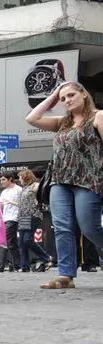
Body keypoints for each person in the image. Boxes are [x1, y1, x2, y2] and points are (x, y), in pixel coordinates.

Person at [24, 81, 103, 289]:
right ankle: (65, 275)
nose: (67, 100)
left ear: (84, 94)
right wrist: (53, 95)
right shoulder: (62, 122)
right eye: (63, 99)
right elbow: (32, 118)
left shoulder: (98, 116)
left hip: (88, 179)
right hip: (59, 180)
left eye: (70, 95)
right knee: (61, 227)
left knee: (89, 227)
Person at [17, 169, 51, 272]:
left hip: (33, 215)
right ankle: (24, 266)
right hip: (23, 216)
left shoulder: (35, 185)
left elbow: (42, 192)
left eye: (20, 177)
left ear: (26, 176)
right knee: (22, 242)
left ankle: (46, 257)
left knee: (28, 239)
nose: (19, 179)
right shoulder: (24, 188)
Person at [0, 171, 22, 272]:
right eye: (1, 180)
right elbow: (0, 205)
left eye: (3, 179)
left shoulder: (19, 190)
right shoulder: (4, 192)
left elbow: (23, 204)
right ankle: (18, 264)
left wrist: (11, 202)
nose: (1, 182)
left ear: (10, 179)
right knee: (12, 242)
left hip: (14, 218)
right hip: (5, 218)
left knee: (4, 240)